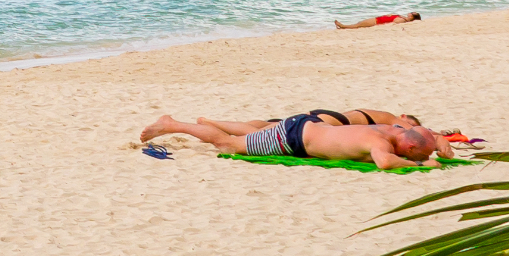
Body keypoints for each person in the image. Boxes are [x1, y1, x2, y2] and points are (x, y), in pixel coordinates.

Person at [139, 112, 456, 169]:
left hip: (304, 128)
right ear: (410, 147)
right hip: (293, 139)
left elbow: (424, 135)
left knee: (252, 134)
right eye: (415, 154)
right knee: (228, 145)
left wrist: (440, 142)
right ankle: (172, 124)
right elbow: (386, 163)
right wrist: (422, 164)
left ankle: (202, 121)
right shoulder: (384, 145)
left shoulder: (395, 129)